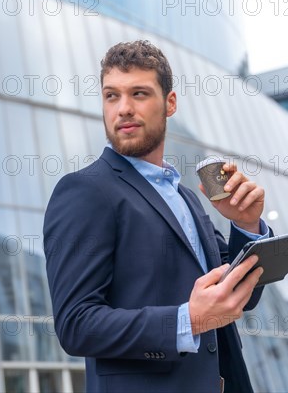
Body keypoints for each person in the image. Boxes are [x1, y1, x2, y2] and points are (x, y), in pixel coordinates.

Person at [43, 40, 272, 393]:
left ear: (170, 103)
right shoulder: (84, 192)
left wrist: (246, 225)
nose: (123, 109)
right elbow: (76, 325)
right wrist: (187, 320)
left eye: (139, 94)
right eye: (111, 96)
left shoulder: (186, 198)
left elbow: (240, 295)